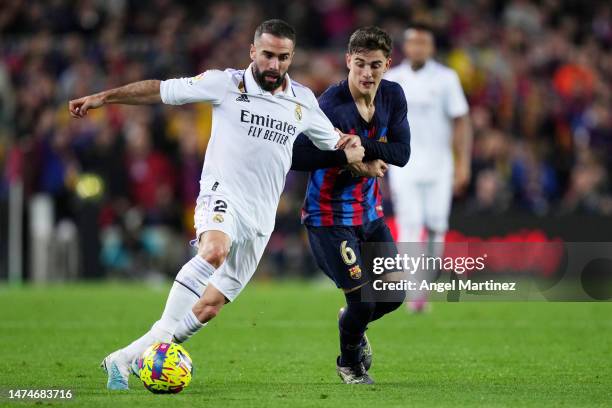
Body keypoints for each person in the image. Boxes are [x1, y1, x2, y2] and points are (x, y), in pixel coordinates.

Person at [69, 19, 364, 390]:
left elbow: (334, 142)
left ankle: (125, 359)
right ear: (253, 52)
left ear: (292, 57)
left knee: (208, 307)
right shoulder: (224, 83)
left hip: (261, 219)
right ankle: (158, 349)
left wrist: (357, 150)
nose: (275, 64)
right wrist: (104, 97)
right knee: (213, 251)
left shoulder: (302, 100)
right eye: (268, 55)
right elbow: (160, 91)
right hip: (222, 194)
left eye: (283, 57)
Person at [291, 26, 411, 384]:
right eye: (360, 64)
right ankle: (350, 364)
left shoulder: (392, 96)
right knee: (363, 302)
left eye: (375, 65)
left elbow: (402, 154)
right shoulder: (329, 104)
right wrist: (347, 160)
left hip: (370, 215)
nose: (367, 73)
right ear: (348, 61)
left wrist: (360, 149)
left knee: (392, 296)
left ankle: (352, 325)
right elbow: (297, 154)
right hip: (328, 218)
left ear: (387, 64)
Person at [384, 23, 472, 312]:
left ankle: (424, 283)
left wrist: (463, 164)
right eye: (413, 43)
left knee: (436, 227)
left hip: (439, 166)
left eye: (424, 43)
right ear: (405, 47)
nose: (418, 48)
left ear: (431, 48)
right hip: (404, 164)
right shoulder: (393, 79)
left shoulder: (446, 79)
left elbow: (461, 122)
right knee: (410, 225)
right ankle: (414, 291)